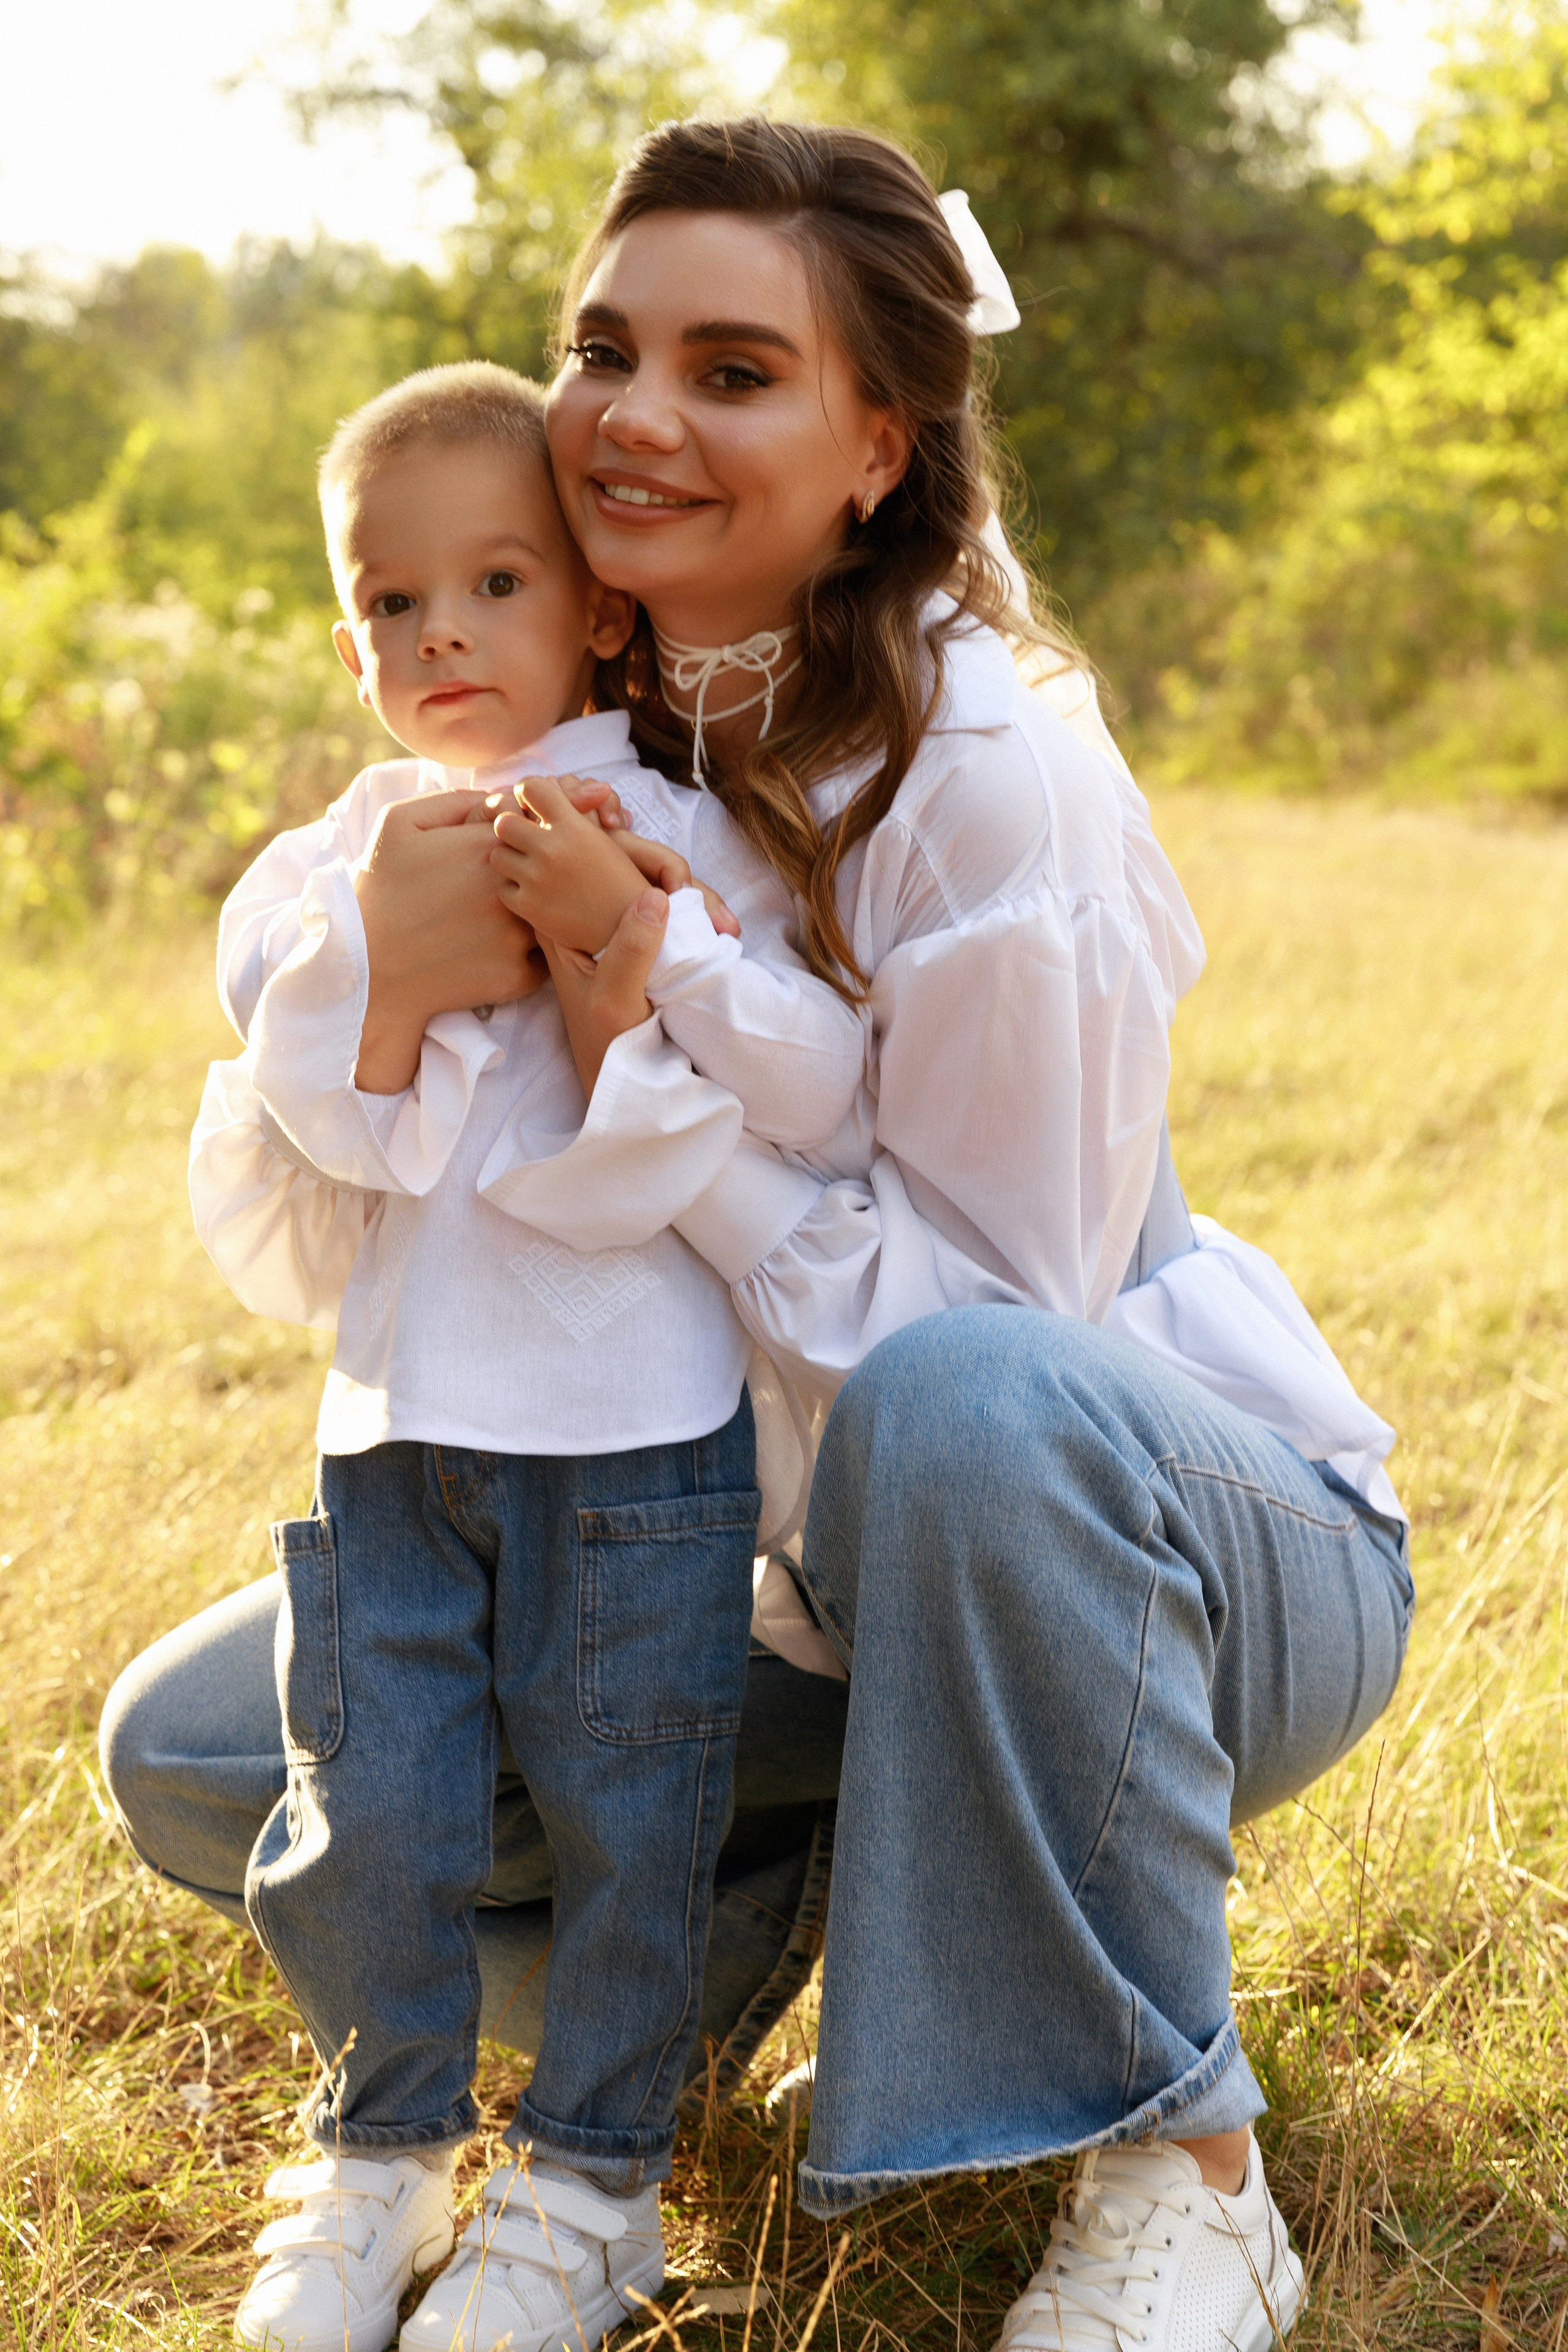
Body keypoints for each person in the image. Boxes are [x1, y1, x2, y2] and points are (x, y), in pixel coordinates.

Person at [100, 120, 1414, 2352]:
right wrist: (387, 990)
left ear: (881, 447)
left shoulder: (992, 769)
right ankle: (771, 1943)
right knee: (209, 1755)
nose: (638, 414)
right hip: (757, 1573)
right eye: (608, 348)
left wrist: (656, 1056)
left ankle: (1183, 2157)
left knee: (962, 1399)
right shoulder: (555, 739)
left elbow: (1004, 1338)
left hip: (1171, 1555)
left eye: (737, 369)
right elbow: (348, 1263)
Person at [187, 358, 868, 2352]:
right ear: (351, 637)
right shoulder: (342, 855)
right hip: (398, 1432)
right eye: (395, 604)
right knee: (370, 1800)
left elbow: (785, 1089)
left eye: (495, 582)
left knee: (623, 1808)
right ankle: (378, 2147)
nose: (444, 635)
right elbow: (303, 1091)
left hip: (637, 1456)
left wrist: (631, 960)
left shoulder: (682, 833)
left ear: (596, 602)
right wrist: (381, 966)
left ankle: (592, 2182)